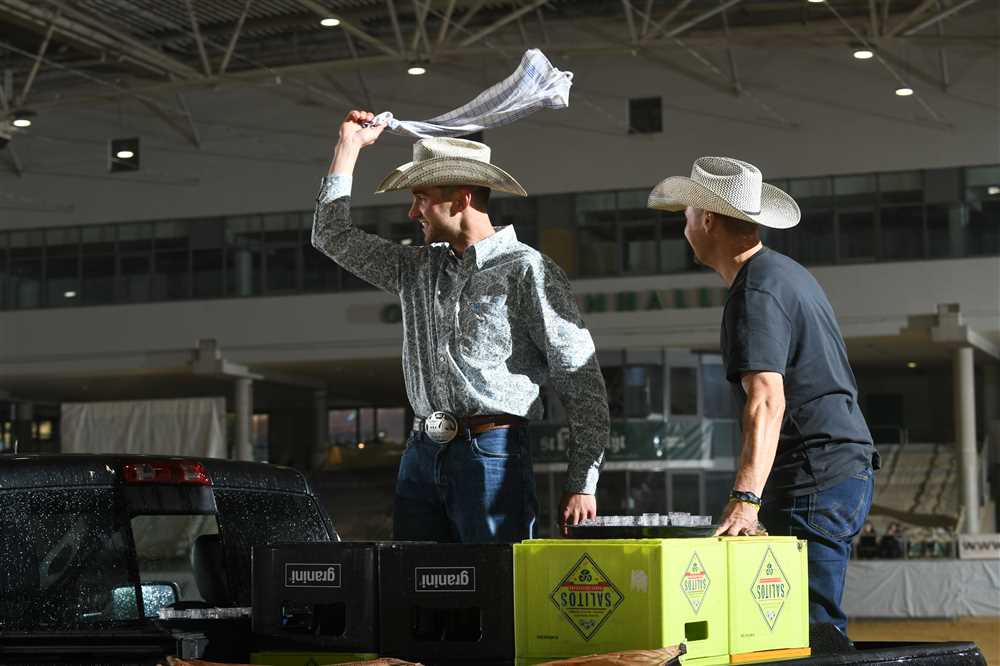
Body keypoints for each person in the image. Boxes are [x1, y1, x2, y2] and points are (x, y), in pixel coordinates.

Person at [312, 110, 609, 543]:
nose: (412, 212)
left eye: (421, 198)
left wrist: (583, 482)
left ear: (462, 199)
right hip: (421, 451)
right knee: (415, 579)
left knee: (494, 579)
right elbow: (330, 235)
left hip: (492, 453)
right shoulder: (415, 268)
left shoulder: (527, 270)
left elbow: (580, 379)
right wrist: (348, 148)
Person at [648, 156, 879, 636]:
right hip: (833, 468)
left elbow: (767, 398)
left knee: (807, 629)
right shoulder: (785, 274)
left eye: (687, 214)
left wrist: (745, 499)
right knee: (800, 625)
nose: (684, 227)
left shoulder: (756, 290)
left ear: (707, 220)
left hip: (812, 474)